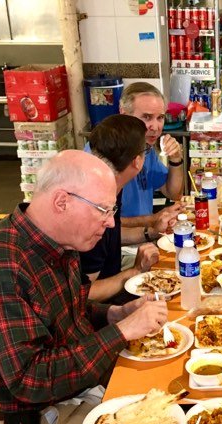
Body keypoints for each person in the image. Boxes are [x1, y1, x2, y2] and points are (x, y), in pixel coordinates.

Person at [0, 150, 170, 424]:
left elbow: (69, 307)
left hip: (70, 391)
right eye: (103, 210)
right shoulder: (0, 267)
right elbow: (31, 380)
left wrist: (114, 314)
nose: (110, 223)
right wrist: (122, 331)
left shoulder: (58, 241)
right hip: (33, 418)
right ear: (61, 202)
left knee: (161, 389)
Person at [83, 114, 181, 302]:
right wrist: (135, 271)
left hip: (113, 277)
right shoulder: (95, 206)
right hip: (97, 311)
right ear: (137, 162)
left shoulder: (110, 185)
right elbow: (86, 294)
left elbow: (111, 235)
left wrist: (151, 232)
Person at [117, 82, 185, 226]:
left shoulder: (146, 148)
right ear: (124, 114)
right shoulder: (105, 151)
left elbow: (173, 193)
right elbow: (105, 224)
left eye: (160, 117)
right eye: (147, 117)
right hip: (120, 245)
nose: (155, 127)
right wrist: (153, 219)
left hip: (144, 236)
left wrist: (176, 159)